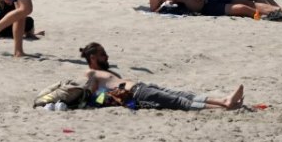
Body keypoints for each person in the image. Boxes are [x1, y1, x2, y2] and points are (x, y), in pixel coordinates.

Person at [81, 42, 244, 111]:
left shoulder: (108, 72)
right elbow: (91, 95)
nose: (107, 57)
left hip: (141, 87)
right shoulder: (91, 72)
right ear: (93, 58)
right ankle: (223, 108)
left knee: (184, 95)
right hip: (136, 94)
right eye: (102, 55)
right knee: (179, 102)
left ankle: (224, 101)